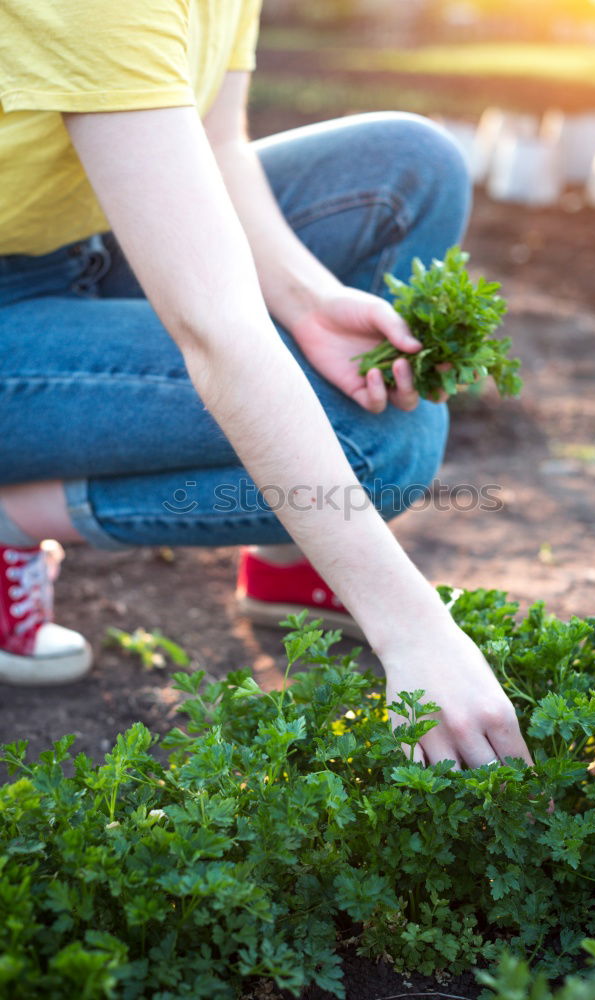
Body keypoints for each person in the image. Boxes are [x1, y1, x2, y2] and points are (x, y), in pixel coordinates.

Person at [0, 0, 532, 770]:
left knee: (413, 167)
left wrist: (309, 299)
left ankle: (290, 561)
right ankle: (13, 521)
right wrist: (412, 628)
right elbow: (217, 332)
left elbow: (216, 147)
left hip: (72, 245)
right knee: (373, 448)